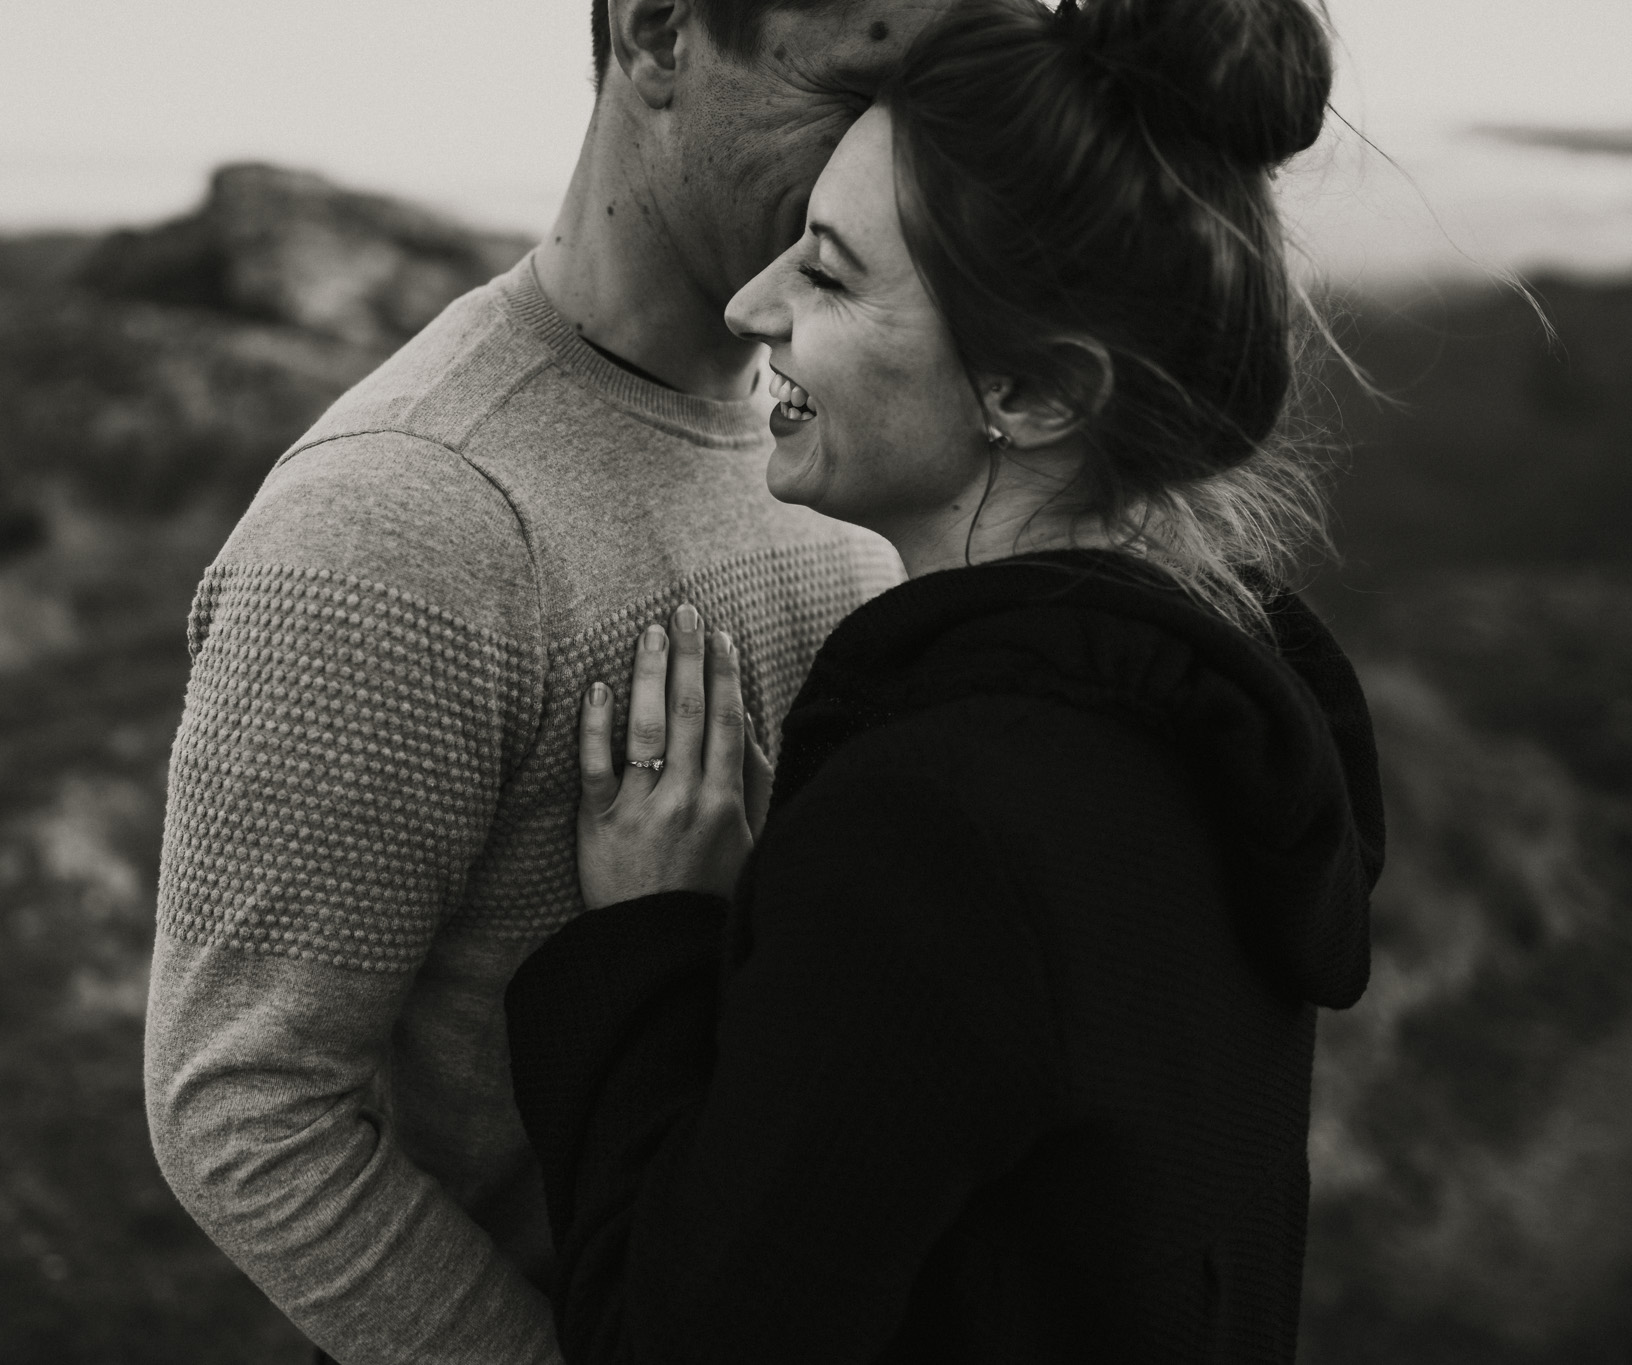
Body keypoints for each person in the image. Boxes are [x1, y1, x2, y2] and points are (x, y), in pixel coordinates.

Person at [503, 0, 1386, 1360]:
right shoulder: (1224, 723)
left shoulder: (940, 834)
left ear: (1035, 394)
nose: (755, 306)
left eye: (835, 275)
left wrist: (653, 950)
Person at [142, 2, 958, 1362]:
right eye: (863, 85)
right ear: (657, 36)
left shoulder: (845, 445)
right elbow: (245, 1108)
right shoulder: (397, 527)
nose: (902, 159)